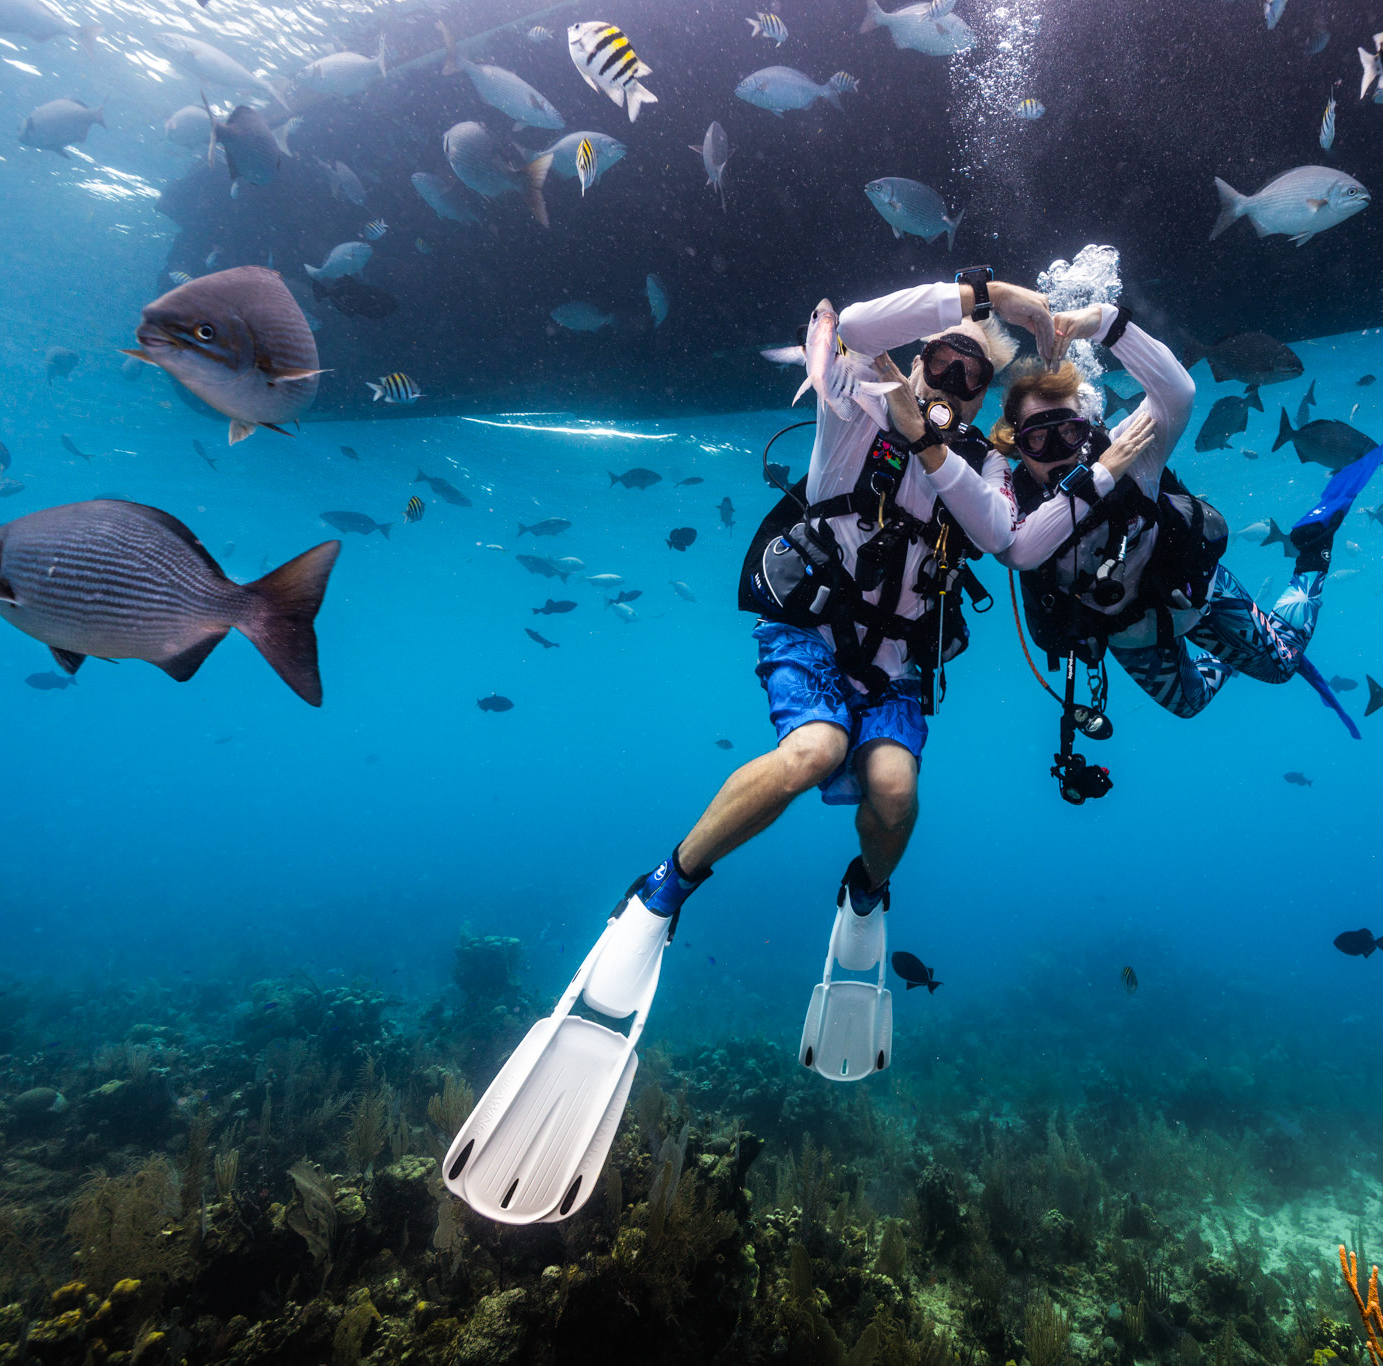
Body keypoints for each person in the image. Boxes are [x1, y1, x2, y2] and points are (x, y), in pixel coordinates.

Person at [440, 271, 1060, 1225]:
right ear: (926, 355)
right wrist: (977, 292)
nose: (954, 381)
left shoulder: (974, 469)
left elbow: (1013, 534)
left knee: (894, 795)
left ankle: (866, 890)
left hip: (895, 668)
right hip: (807, 636)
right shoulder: (855, 411)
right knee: (814, 754)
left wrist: (985, 422)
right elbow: (849, 326)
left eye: (973, 379)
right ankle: (665, 887)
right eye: (945, 360)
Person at [995, 303, 1378, 733]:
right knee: (1189, 703)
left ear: (1088, 428)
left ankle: (1312, 552)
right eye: (1037, 439)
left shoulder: (1128, 451)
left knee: (1282, 666)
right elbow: (1016, 547)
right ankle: (1226, 658)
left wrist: (1105, 323)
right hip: (1128, 630)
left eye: (1069, 432)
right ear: (1015, 444)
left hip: (1199, 594)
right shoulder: (1007, 503)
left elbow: (1178, 392)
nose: (1058, 453)